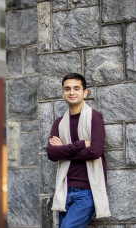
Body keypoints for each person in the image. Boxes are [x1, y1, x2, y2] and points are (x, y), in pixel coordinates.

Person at [47, 73, 111, 228]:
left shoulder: (95, 118)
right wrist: (81, 144)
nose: (72, 92)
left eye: (77, 88)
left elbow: (95, 152)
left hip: (87, 191)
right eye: (67, 89)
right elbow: (52, 154)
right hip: (65, 191)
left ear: (85, 92)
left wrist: (64, 150)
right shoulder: (59, 123)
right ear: (63, 93)